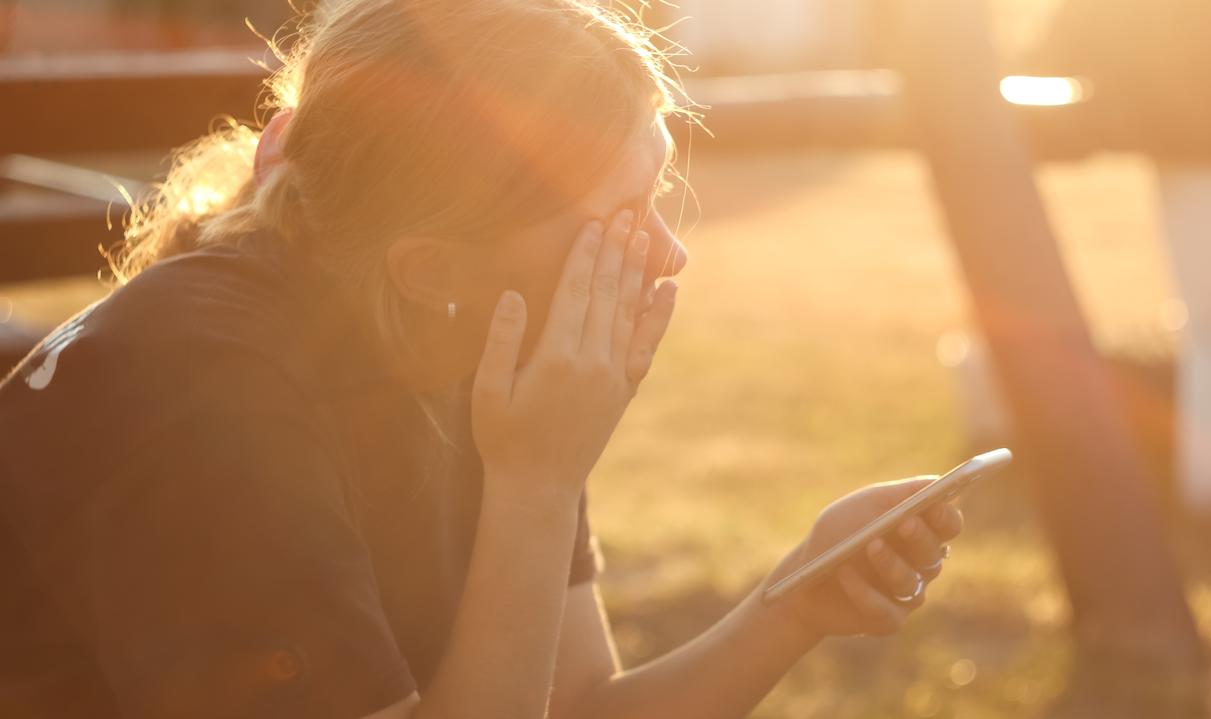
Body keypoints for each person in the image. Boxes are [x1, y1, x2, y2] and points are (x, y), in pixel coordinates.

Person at [0, 1, 962, 717]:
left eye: (661, 189)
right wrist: (537, 478)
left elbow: (575, 702)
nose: (669, 254)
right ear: (429, 266)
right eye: (619, 219)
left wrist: (791, 603)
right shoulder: (201, 407)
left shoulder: (468, 335)